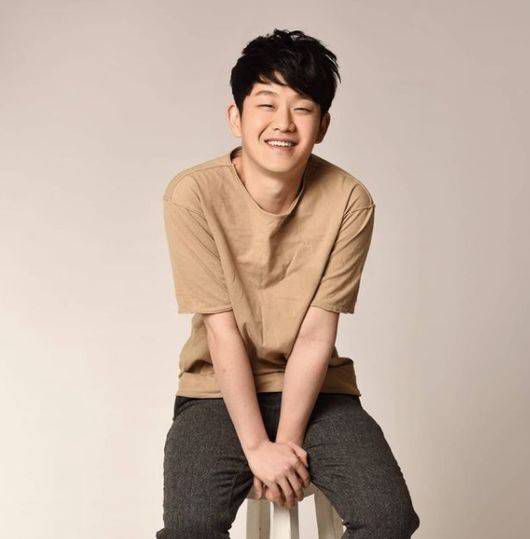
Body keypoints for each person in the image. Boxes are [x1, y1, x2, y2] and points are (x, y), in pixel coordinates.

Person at [156, 28, 420, 538]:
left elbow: (317, 335)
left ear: (322, 126)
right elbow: (222, 332)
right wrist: (257, 446)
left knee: (388, 518)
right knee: (191, 526)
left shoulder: (349, 201)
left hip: (320, 392)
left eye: (302, 108)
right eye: (266, 103)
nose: (283, 123)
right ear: (236, 117)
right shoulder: (193, 195)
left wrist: (285, 447)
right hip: (215, 391)